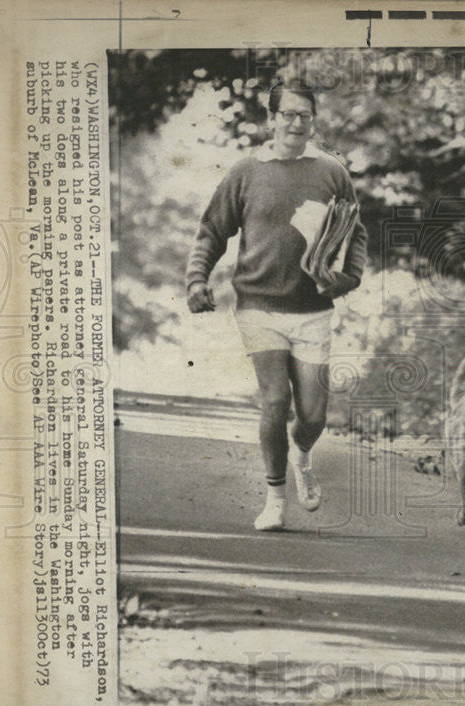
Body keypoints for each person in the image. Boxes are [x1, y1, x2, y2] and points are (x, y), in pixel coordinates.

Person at [186, 82, 367, 531]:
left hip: (312, 310)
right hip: (258, 304)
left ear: (313, 121)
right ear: (272, 119)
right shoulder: (246, 171)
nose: (296, 122)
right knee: (274, 400)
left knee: (313, 416)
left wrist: (347, 279)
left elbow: (354, 233)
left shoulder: (332, 172)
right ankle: (274, 500)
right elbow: (212, 230)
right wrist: (196, 279)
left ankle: (302, 456)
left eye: (304, 115)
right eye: (287, 114)